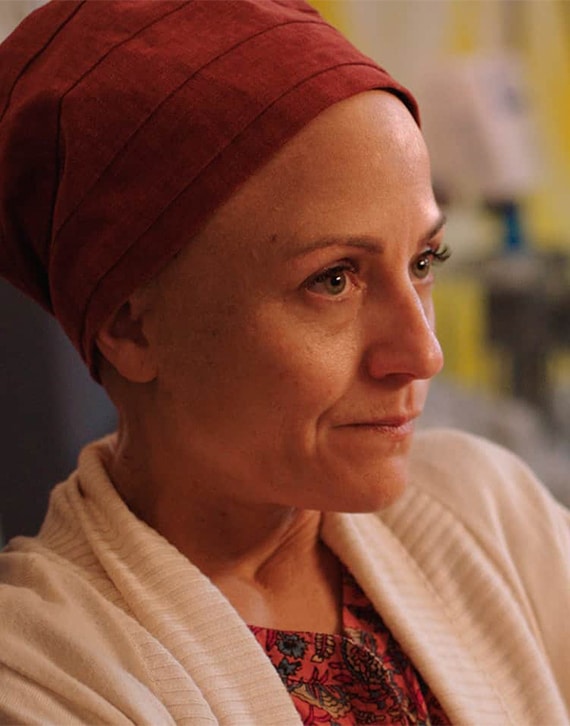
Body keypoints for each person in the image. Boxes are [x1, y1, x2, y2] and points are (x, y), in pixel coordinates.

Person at [0, 1, 568, 724]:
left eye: (424, 260)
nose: (424, 353)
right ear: (131, 327)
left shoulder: (488, 512)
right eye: (333, 279)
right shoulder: (41, 674)